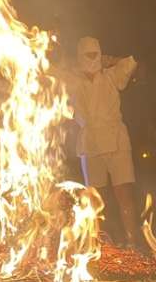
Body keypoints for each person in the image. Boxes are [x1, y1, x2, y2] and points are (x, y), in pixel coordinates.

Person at [60, 37, 141, 248]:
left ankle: (133, 242)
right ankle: (97, 246)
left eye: (96, 53)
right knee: (94, 197)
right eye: (87, 55)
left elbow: (131, 62)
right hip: (89, 143)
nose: (93, 58)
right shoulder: (72, 79)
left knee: (124, 193)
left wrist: (111, 60)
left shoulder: (111, 76)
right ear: (79, 56)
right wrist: (70, 63)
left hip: (117, 140)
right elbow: (46, 69)